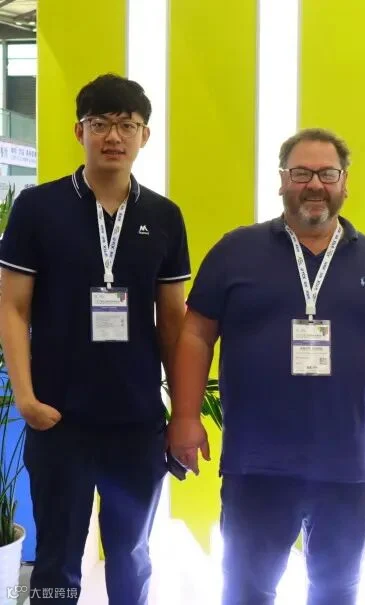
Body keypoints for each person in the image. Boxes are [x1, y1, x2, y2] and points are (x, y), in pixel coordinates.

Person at [169, 127, 365, 605]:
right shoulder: (236, 251)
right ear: (282, 180)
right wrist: (186, 416)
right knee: (247, 591)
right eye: (301, 173)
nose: (314, 184)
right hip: (257, 464)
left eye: (327, 173)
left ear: (345, 183)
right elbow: (196, 335)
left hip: (347, 466)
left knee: (337, 592)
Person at [0, 74, 190, 605]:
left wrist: (181, 412)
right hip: (58, 418)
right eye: (100, 123)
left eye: (127, 125)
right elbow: (12, 307)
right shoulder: (38, 208)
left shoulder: (163, 216)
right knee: (57, 558)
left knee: (132, 553)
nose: (113, 136)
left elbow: (173, 321)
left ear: (144, 135)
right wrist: (26, 398)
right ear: (79, 131)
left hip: (136, 422)